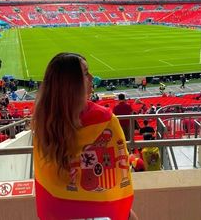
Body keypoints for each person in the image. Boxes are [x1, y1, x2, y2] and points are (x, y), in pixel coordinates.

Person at [32, 52, 137, 220]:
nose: (92, 77)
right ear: (71, 84)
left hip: (57, 210)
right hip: (100, 213)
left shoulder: (43, 122)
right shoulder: (105, 121)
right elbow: (116, 176)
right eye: (86, 73)